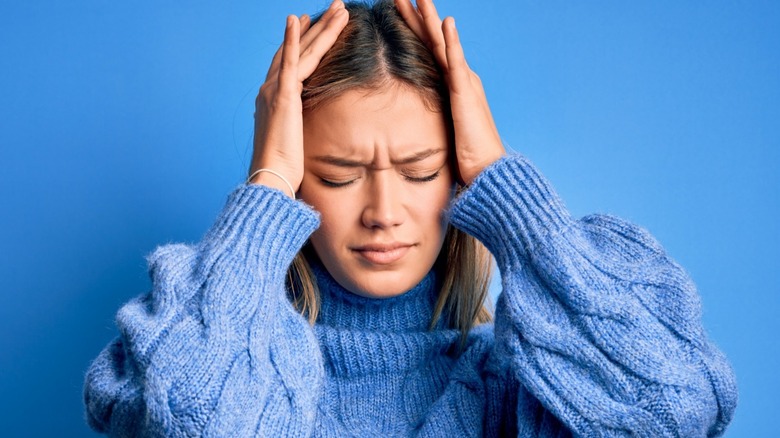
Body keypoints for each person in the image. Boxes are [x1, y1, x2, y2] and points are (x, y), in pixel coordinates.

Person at [82, 0, 738, 436]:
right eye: (338, 175)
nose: (384, 213)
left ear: (457, 176)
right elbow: (197, 421)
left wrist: (511, 200)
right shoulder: (197, 357)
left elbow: (677, 410)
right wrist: (266, 186)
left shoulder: (512, 390)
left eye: (421, 172)